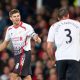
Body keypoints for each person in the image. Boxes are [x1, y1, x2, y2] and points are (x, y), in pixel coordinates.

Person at [0, 9, 41, 80]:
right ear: (11, 18)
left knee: (13, 76)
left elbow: (36, 37)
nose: (17, 18)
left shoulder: (27, 27)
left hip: (25, 54)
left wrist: (37, 39)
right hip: (17, 56)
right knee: (26, 78)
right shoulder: (9, 29)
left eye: (18, 16)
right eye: (14, 16)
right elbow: (4, 44)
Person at [47, 7, 80, 80]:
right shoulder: (78, 24)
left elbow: (49, 47)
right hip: (74, 57)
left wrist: (52, 59)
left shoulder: (54, 26)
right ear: (68, 15)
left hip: (60, 58)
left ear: (58, 18)